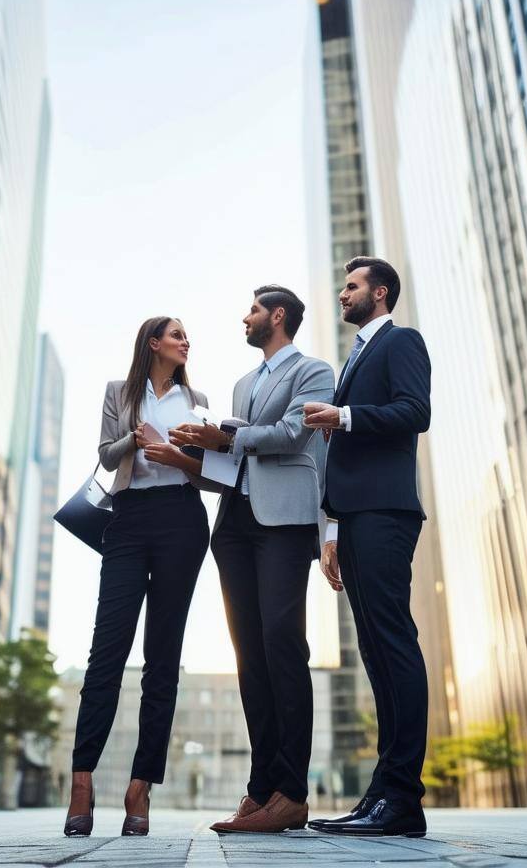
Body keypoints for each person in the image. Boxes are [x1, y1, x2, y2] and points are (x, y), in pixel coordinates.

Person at [170, 286, 334, 834]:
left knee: (283, 645)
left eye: (253, 310)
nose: (245, 317)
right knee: (249, 659)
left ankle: (291, 791)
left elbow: (292, 436)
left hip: (284, 523)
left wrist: (226, 436)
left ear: (278, 315)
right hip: (236, 524)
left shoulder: (314, 371)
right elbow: (239, 457)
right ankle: (261, 790)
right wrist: (201, 449)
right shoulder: (243, 384)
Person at [64, 317, 210, 838]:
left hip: (182, 520)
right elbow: (104, 455)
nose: (185, 341)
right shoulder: (118, 391)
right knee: (106, 652)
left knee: (163, 658)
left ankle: (140, 786)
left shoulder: (198, 398)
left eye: (186, 336)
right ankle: (82, 783)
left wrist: (176, 452)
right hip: (127, 519)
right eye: (176, 334)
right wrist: (135, 438)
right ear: (153, 343)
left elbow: (209, 471)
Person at [303, 257, 431, 839]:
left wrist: (344, 414)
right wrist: (332, 528)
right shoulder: (356, 355)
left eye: (352, 286)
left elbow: (414, 412)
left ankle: (403, 797)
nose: (342, 292)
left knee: (394, 646)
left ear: (380, 293)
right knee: (377, 656)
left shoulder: (401, 341)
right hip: (355, 518)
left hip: (385, 512)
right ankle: (382, 795)